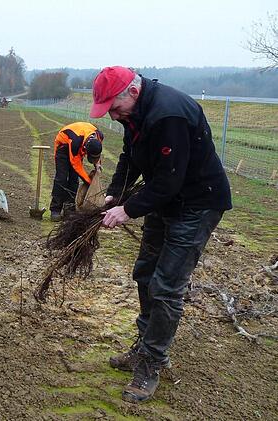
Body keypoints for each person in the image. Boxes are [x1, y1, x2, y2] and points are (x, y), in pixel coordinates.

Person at [91, 66, 232, 403]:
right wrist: (115, 193)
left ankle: (152, 364)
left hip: (197, 204)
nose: (112, 115)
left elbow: (170, 180)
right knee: (145, 273)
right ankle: (143, 345)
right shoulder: (134, 114)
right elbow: (130, 158)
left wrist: (127, 210)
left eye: (114, 106)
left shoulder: (169, 114)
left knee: (167, 286)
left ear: (133, 92)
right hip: (165, 199)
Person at [49, 122, 104, 221]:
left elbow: (97, 152)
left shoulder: (99, 136)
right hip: (64, 145)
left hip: (80, 144)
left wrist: (97, 164)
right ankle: (55, 209)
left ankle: (69, 209)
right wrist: (89, 182)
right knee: (61, 179)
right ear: (86, 150)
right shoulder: (76, 142)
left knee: (74, 180)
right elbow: (76, 166)